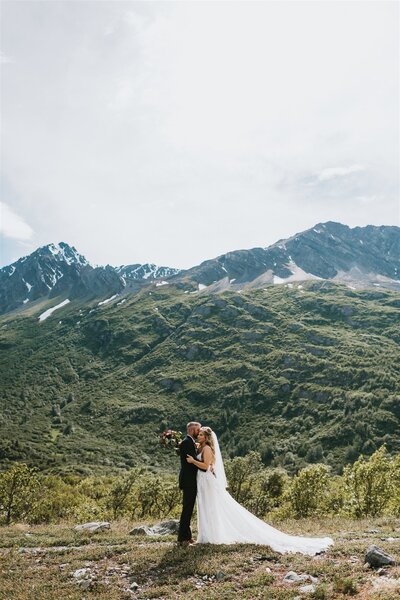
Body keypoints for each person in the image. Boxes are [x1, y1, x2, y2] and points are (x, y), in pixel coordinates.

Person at [187, 427, 333, 555]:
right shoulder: (202, 447)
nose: (198, 436)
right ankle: (207, 536)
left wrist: (193, 461)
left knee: (210, 508)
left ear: (207, 437)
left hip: (207, 481)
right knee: (206, 507)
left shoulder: (206, 449)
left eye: (200, 435)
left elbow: (206, 466)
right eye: (198, 434)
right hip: (203, 481)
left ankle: (210, 536)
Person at [177, 421, 201, 545]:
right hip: (188, 481)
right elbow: (192, 461)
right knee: (187, 509)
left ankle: (187, 536)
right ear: (192, 430)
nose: (199, 432)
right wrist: (206, 467)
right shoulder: (187, 442)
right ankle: (182, 538)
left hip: (190, 480)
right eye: (198, 430)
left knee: (189, 509)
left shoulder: (189, 442)